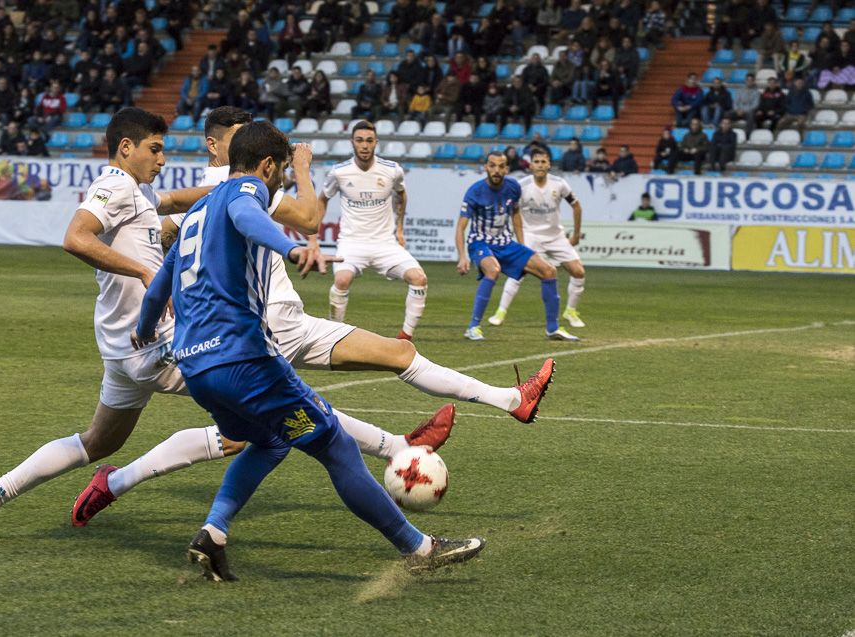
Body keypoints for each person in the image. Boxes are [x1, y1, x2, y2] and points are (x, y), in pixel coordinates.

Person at [72, 107, 556, 526]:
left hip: (239, 332)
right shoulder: (245, 186)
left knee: (252, 435)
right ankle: (441, 438)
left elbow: (166, 217)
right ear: (220, 145)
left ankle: (122, 488)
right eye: (241, 134)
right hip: (270, 327)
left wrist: (146, 228)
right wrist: (302, 169)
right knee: (325, 408)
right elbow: (306, 218)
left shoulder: (204, 194)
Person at [133, 120, 486, 579]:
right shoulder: (245, 191)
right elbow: (247, 215)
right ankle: (419, 548)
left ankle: (213, 534)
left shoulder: (197, 212)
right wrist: (290, 247)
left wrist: (144, 328)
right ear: (265, 166)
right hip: (245, 360)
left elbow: (162, 281)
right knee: (336, 445)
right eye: (279, 170)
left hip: (197, 367)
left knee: (270, 439)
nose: (279, 179)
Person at [0, 108, 222, 541]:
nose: (162, 160)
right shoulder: (115, 185)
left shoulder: (140, 193)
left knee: (97, 442)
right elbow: (75, 238)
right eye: (155, 149)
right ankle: (118, 485)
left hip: (121, 348)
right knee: (250, 414)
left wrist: (227, 193)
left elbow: (172, 207)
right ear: (126, 148)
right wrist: (145, 272)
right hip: (151, 342)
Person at [319, 121, 428, 341]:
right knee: (341, 281)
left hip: (384, 244)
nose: (365, 145)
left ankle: (405, 338)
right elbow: (322, 200)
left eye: (369, 140)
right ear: (352, 143)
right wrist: (312, 237)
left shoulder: (391, 170)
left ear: (376, 142)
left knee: (419, 279)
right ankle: (333, 336)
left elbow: (402, 195)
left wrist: (399, 228)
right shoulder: (339, 172)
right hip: (351, 243)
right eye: (360, 140)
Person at [455, 150, 578, 342]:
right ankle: (473, 327)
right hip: (480, 243)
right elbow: (461, 226)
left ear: (507, 168)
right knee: (493, 270)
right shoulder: (475, 191)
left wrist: (522, 246)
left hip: (506, 244)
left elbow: (516, 215)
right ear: (486, 167)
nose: (497, 170)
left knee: (549, 271)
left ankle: (553, 329)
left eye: (501, 166)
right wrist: (462, 256)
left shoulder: (513, 186)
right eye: (493, 166)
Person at [488, 147, 587, 331]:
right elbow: (512, 211)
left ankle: (571, 311)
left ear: (549, 164)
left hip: (556, 235)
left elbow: (577, 206)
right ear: (530, 165)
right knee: (518, 272)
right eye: (537, 162)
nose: (540, 165)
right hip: (531, 234)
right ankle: (500, 312)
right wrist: (519, 238)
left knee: (578, 272)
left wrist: (575, 234)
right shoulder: (521, 186)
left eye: (544, 162)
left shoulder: (560, 184)